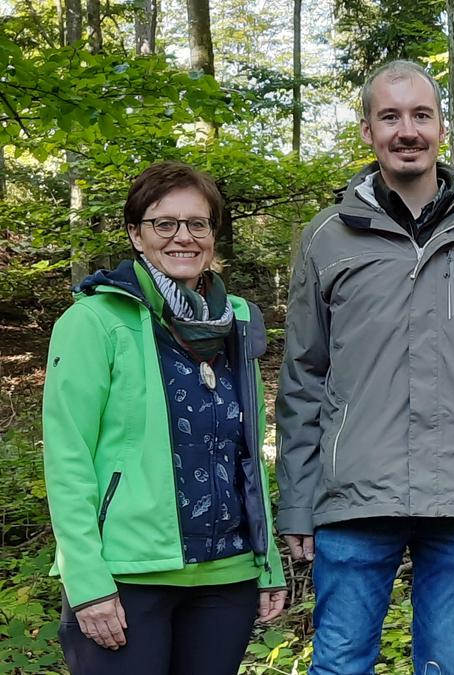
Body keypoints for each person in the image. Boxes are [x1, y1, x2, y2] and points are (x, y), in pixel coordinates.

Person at [275, 59, 454, 675]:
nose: (406, 130)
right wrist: (298, 503)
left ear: (442, 127)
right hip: (355, 499)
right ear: (367, 130)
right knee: (339, 663)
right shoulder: (327, 238)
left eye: (420, 115)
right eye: (390, 117)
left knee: (447, 666)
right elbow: (303, 378)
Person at [42, 161, 287, 675]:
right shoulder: (94, 321)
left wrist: (267, 564)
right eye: (164, 223)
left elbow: (247, 448)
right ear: (136, 234)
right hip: (128, 576)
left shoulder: (237, 319)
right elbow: (68, 458)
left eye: (197, 224)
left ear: (213, 234)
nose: (184, 237)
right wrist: (86, 584)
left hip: (228, 577)